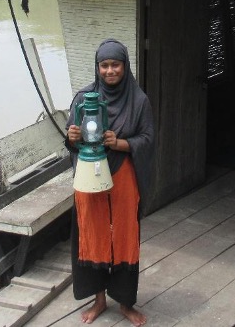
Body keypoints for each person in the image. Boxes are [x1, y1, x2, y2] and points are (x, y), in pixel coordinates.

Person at [65, 39, 155, 326]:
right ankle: (99, 299)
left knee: (125, 235)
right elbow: (70, 138)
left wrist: (120, 143)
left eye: (115, 65)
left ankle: (125, 303)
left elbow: (148, 139)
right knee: (92, 231)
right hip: (90, 176)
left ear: (125, 67)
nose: (110, 71)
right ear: (97, 68)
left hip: (123, 175)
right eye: (104, 65)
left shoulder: (138, 100)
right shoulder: (83, 98)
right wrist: (72, 137)